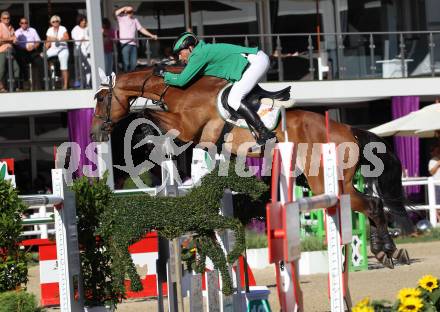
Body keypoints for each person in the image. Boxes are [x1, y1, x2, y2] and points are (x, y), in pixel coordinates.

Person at [160, 32, 276, 147]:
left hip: (256, 62)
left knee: (233, 100)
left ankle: (264, 133)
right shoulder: (201, 52)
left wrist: (163, 75)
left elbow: (181, 80)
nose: (180, 57)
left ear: (190, 48)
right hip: (254, 61)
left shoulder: (198, 54)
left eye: (180, 53)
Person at [114, 5, 157, 72]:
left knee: (133, 64)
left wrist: (151, 35)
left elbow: (141, 29)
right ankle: (125, 78)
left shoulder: (135, 20)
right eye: (129, 11)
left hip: (133, 44)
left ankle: (131, 77)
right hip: (125, 44)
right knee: (126, 63)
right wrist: (124, 8)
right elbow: (115, 13)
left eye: (132, 11)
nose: (131, 13)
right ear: (125, 12)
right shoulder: (121, 18)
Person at [14, 17, 43, 90]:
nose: (24, 24)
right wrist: (24, 48)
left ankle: (38, 84)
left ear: (27, 23)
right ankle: (25, 83)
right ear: (20, 24)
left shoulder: (32, 30)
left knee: (39, 62)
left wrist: (33, 46)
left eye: (26, 23)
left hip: (33, 50)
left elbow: (38, 41)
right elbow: (16, 44)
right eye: (22, 23)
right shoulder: (17, 32)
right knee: (21, 63)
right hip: (23, 51)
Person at [45, 15, 70, 89]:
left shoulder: (63, 28)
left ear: (59, 22)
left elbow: (67, 37)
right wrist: (46, 46)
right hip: (53, 49)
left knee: (64, 66)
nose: (55, 23)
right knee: (43, 56)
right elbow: (47, 43)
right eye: (53, 21)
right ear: (51, 23)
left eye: (57, 21)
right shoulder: (49, 30)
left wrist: (60, 39)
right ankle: (52, 74)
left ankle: (65, 85)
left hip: (63, 48)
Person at [0, 11, 19, 92]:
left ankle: (13, 86)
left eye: (8, 18)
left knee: (16, 68)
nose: (6, 20)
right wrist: (10, 39)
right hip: (2, 51)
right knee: (1, 70)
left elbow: (15, 39)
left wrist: (15, 40)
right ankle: (1, 88)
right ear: (1, 19)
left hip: (11, 50)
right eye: (4, 18)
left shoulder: (11, 27)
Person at [71, 14, 91, 87]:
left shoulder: (88, 28)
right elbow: (76, 41)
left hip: (89, 51)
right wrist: (81, 39)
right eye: (82, 21)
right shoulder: (75, 29)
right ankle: (83, 83)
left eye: (85, 21)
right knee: (82, 68)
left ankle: (88, 83)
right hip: (80, 52)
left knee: (89, 67)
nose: (84, 22)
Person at [428, 143, 440, 222]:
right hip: (437, 185)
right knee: (437, 204)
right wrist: (438, 164)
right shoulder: (432, 160)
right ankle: (438, 220)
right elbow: (431, 172)